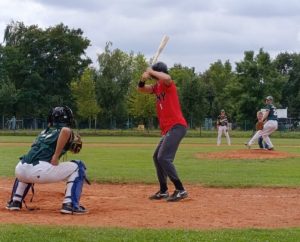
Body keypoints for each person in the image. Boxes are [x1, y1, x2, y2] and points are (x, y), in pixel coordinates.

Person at [6, 106, 88, 214]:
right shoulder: (65, 130)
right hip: (40, 171)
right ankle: (70, 204)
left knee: (26, 167)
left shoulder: (44, 132)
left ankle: (15, 201)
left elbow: (33, 145)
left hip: (20, 169)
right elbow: (65, 130)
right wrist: (55, 156)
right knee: (78, 166)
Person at [137, 62, 188, 202]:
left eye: (154, 74)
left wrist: (150, 71)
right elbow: (141, 90)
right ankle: (164, 190)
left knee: (164, 157)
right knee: (157, 157)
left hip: (177, 126)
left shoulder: (167, 84)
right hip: (168, 129)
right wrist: (142, 79)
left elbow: (167, 77)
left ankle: (180, 189)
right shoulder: (157, 88)